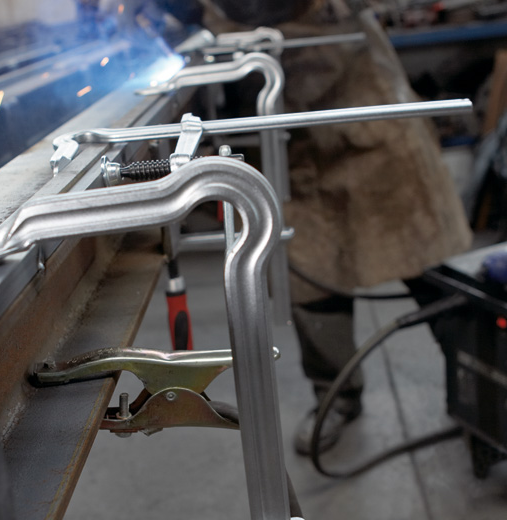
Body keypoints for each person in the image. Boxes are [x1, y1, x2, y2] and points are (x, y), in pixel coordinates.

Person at [202, 0, 472, 454]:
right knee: (310, 279)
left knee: (430, 270)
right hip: (294, 152)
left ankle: (476, 385)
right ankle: (337, 395)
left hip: (372, 134)